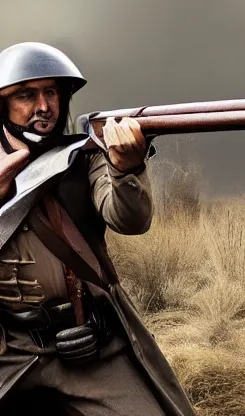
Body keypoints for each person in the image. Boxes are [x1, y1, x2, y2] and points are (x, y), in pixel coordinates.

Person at [0, 42, 197, 415]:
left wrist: (126, 168)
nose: (43, 107)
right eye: (27, 95)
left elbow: (130, 221)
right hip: (8, 348)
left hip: (90, 341)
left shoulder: (81, 157)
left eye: (51, 92)